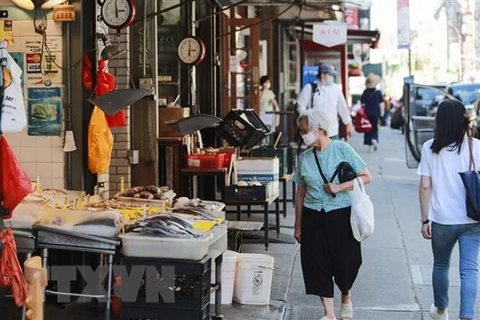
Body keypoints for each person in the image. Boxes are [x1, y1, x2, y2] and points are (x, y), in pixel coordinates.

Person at [293, 108, 372, 320]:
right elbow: (300, 194)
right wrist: (298, 225)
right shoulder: (305, 158)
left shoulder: (342, 149)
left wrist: (340, 187)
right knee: (316, 264)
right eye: (301, 132)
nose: (303, 135)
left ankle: (346, 295)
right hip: (313, 216)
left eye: (305, 130)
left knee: (347, 263)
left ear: (320, 129)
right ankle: (329, 314)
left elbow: (366, 177)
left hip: (341, 215)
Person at [417, 99, 480, 320]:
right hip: (473, 219)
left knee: (441, 264)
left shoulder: (430, 148)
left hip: (442, 219)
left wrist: (425, 219)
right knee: (469, 269)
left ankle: (441, 309)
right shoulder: (477, 146)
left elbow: (425, 186)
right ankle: (467, 316)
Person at [296, 63, 354, 140]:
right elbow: (301, 105)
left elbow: (342, 108)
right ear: (323, 75)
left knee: (332, 151)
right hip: (315, 131)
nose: (332, 77)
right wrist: (306, 121)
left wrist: (349, 124)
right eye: (331, 75)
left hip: (332, 131)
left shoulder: (336, 90)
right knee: (315, 151)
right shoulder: (310, 88)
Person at [360, 73, 383, 151]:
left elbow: (362, 103)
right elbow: (381, 104)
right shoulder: (378, 93)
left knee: (367, 129)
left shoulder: (365, 92)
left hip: (367, 113)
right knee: (375, 128)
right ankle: (374, 139)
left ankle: (369, 146)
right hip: (376, 113)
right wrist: (381, 114)